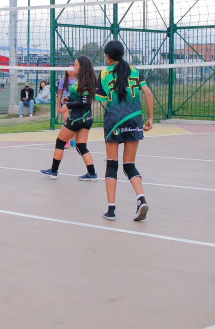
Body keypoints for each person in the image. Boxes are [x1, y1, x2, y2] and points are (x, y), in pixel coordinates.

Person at [96, 40, 154, 222]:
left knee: (112, 164)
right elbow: (148, 93)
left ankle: (111, 210)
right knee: (129, 164)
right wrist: (150, 118)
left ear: (107, 56)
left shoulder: (105, 73)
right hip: (135, 119)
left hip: (114, 120)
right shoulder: (135, 71)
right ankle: (141, 199)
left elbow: (103, 101)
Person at [40, 56, 99, 181]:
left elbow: (85, 102)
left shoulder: (85, 82)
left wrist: (68, 105)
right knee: (81, 146)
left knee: (60, 142)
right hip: (86, 117)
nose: (73, 67)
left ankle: (53, 171)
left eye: (76, 65)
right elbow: (81, 99)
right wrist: (70, 99)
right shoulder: (84, 80)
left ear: (82, 67)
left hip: (78, 117)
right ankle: (92, 173)